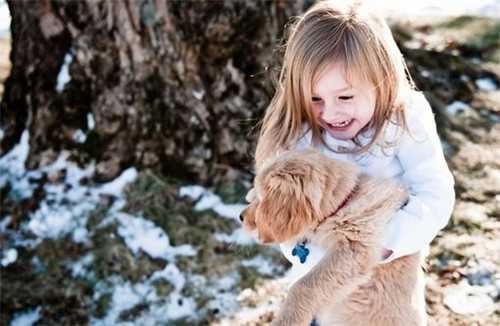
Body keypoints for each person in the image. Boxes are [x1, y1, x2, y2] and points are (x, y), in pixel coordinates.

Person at [251, 0, 455, 281]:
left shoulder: (404, 119)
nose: (331, 113)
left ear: (381, 80)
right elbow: (281, 211)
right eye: (315, 99)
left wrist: (386, 243)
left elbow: (435, 191)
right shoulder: (300, 135)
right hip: (320, 281)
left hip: (388, 277)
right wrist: (320, 261)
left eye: (345, 97)